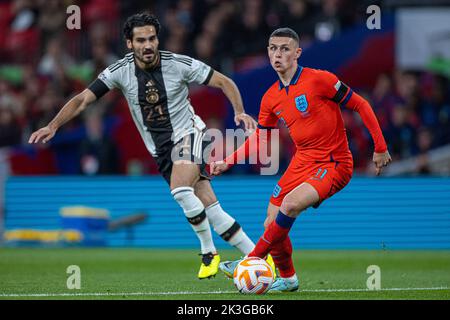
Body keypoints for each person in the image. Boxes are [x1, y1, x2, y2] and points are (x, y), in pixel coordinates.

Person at [29, 13, 273, 279]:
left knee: (180, 190)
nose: (148, 45)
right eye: (141, 40)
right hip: (161, 151)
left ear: (158, 40)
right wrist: (53, 125)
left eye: (152, 38)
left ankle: (208, 253)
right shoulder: (119, 72)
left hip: (190, 135)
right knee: (211, 209)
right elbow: (83, 100)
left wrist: (238, 111)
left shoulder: (178, 64)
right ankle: (259, 258)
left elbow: (224, 81)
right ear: (129, 44)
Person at [211, 28, 392, 291]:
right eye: (273, 48)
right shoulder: (271, 97)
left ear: (297, 53)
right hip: (302, 162)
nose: (277, 54)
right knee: (271, 221)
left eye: (285, 48)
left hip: (334, 163)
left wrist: (380, 147)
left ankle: (251, 260)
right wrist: (229, 160)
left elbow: (361, 104)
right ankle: (288, 278)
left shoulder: (320, 80)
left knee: (290, 203)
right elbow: (262, 139)